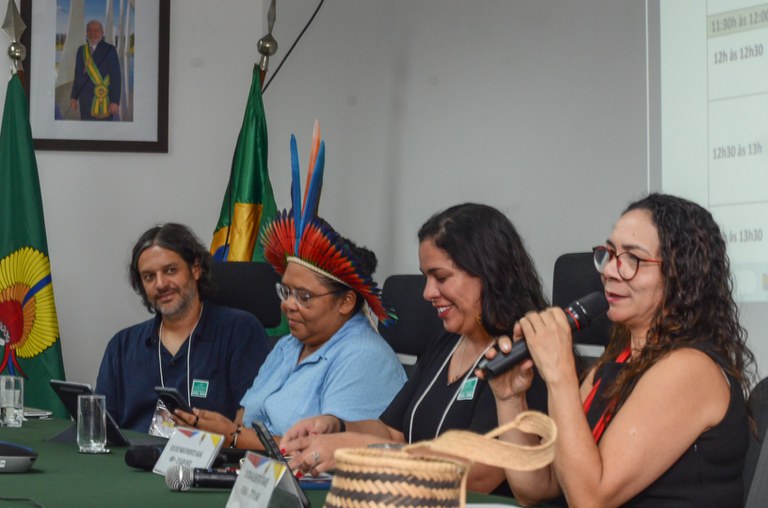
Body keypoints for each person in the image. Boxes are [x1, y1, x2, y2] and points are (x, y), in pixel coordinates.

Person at [483, 193, 756, 507]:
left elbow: (589, 500)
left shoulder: (689, 368)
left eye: (633, 259)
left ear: (680, 275)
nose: (610, 270)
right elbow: (536, 487)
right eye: (610, 254)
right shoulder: (616, 362)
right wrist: (510, 399)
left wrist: (559, 374)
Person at [280, 203, 549, 496]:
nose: (427, 292)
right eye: (426, 278)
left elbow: (480, 475)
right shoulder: (446, 343)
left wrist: (364, 450)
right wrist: (337, 427)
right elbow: (392, 431)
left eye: (441, 278)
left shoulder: (524, 356)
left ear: (488, 273)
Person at [171, 131, 407, 450]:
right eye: (286, 292)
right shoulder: (289, 345)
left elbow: (328, 449)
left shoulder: (363, 356)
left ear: (346, 301)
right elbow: (245, 416)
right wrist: (222, 429)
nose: (288, 306)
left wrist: (234, 438)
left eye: (304, 297)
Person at [96, 223, 271, 435]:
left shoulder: (240, 332)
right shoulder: (122, 346)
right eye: (149, 277)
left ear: (195, 269)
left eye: (170, 270)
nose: (160, 284)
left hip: (206, 462)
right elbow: (101, 430)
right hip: (131, 463)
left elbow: (251, 425)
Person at [70, 20, 121, 121]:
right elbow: (78, 75)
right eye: (89, 31)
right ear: (86, 33)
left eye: (96, 30)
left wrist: (114, 101)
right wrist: (74, 97)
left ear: (102, 33)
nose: (92, 33)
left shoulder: (110, 49)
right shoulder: (81, 50)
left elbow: (116, 77)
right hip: (85, 101)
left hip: (104, 100)